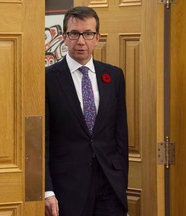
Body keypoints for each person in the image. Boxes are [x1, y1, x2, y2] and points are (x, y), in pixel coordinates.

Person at [45, 6, 129, 216]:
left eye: (88, 33)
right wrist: (47, 190)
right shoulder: (47, 78)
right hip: (68, 187)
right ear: (64, 37)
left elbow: (120, 133)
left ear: (97, 37)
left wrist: (121, 180)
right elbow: (43, 139)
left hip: (109, 185)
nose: (81, 41)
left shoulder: (114, 76)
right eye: (74, 34)